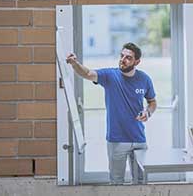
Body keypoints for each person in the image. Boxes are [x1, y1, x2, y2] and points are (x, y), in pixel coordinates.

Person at [67, 42, 157, 185]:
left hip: (139, 140)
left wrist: (148, 112)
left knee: (141, 182)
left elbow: (152, 102)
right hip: (117, 140)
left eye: (128, 57)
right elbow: (87, 73)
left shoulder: (144, 79)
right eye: (122, 56)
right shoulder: (109, 76)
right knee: (116, 183)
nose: (123, 59)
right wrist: (74, 63)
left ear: (137, 61)